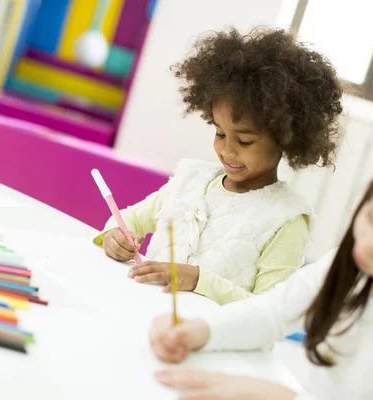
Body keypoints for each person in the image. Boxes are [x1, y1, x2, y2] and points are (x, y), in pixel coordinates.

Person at [148, 106, 373, 399]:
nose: (366, 248)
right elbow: (274, 311)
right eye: (370, 219)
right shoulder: (350, 267)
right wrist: (201, 331)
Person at [94, 27, 344, 305]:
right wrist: (114, 236)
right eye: (220, 133)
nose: (227, 150)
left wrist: (201, 281)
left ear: (286, 138)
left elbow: (271, 311)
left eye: (245, 140)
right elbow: (131, 219)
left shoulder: (286, 220)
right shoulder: (189, 180)